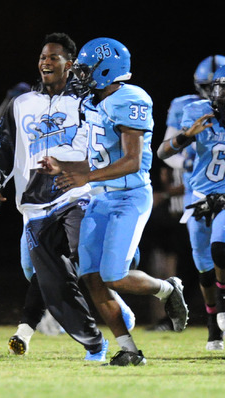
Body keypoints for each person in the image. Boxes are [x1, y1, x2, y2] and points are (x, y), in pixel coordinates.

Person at [46, 37, 189, 366]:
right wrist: (64, 167)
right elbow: (97, 162)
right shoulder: (97, 103)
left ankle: (167, 289)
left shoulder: (130, 98)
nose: (80, 75)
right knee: (91, 275)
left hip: (128, 198)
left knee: (113, 275)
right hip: (100, 199)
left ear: (107, 68)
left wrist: (87, 178)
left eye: (86, 69)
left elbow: (132, 161)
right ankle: (129, 349)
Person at [0, 32, 111, 361]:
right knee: (46, 278)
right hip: (35, 207)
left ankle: (115, 308)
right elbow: (2, 146)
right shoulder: (22, 103)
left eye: (54, 56)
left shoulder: (86, 102)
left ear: (69, 65)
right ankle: (94, 340)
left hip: (76, 196)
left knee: (83, 256)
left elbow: (105, 146)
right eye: (43, 56)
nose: (45, 61)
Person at [151, 56, 225, 348]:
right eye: (219, 88)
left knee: (220, 249)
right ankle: (212, 325)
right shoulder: (196, 110)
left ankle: (222, 307)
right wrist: (185, 137)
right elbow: (163, 153)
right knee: (204, 269)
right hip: (198, 197)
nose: (218, 94)